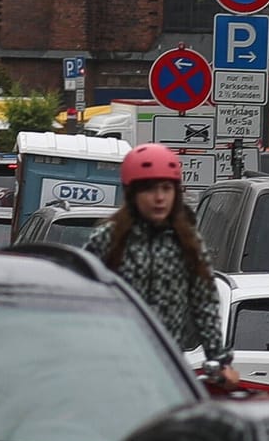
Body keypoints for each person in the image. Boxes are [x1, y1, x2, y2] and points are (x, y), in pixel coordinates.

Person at [83, 143, 237, 385]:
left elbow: (204, 303)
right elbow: (82, 298)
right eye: (150, 190)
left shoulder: (187, 242)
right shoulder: (108, 239)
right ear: (131, 194)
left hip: (166, 368)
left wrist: (219, 359)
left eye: (166, 188)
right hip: (112, 366)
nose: (159, 198)